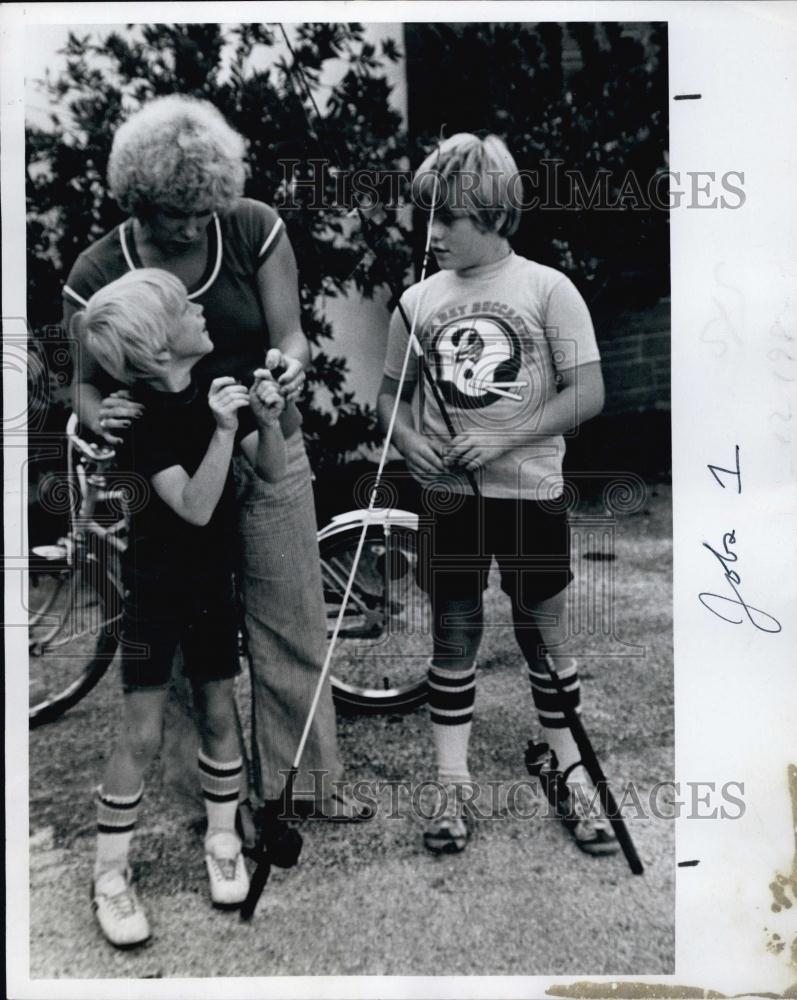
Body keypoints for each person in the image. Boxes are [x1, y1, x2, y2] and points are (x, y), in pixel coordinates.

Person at [65, 95, 367, 819]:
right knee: (176, 628)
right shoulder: (99, 269)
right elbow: (83, 385)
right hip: (169, 464)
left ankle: (305, 784)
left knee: (289, 615)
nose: (195, 226)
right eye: (178, 214)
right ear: (139, 201)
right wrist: (96, 413)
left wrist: (288, 366)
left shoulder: (253, 227)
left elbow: (291, 335)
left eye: (206, 211)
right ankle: (203, 799)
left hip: (265, 439)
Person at [377, 133, 618, 856]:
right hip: (448, 498)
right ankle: (451, 786)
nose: (433, 233)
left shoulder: (547, 288)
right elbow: (389, 403)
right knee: (454, 631)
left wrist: (506, 435)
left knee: (541, 634)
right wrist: (409, 445)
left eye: (447, 218)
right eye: (427, 218)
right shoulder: (415, 302)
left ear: (493, 213)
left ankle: (570, 771)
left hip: (529, 492)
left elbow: (589, 394)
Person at [77, 268, 286, 946]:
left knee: (219, 713)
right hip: (155, 595)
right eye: (183, 307)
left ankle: (222, 842)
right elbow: (195, 507)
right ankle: (110, 875)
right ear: (158, 347)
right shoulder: (143, 422)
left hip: (209, 588)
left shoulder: (217, 387)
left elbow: (274, 469)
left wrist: (268, 420)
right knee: (141, 731)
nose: (200, 307)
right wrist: (224, 431)